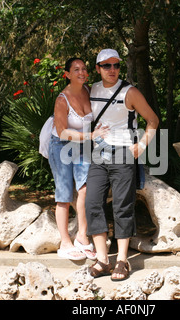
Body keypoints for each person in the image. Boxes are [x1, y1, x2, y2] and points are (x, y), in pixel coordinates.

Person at [85, 49, 159, 281]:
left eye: (115, 65)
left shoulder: (130, 92)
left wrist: (142, 146)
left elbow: (153, 120)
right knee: (93, 203)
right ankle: (102, 260)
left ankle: (122, 260)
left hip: (123, 154)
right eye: (106, 66)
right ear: (97, 68)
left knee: (123, 206)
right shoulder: (92, 90)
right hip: (99, 155)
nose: (112, 70)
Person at [49, 57, 108, 261]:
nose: (82, 72)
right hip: (61, 145)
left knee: (86, 188)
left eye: (84, 69)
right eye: (76, 70)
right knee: (64, 194)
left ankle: (82, 237)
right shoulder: (61, 99)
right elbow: (62, 132)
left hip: (82, 145)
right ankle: (65, 242)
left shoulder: (88, 91)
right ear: (67, 74)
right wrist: (91, 136)